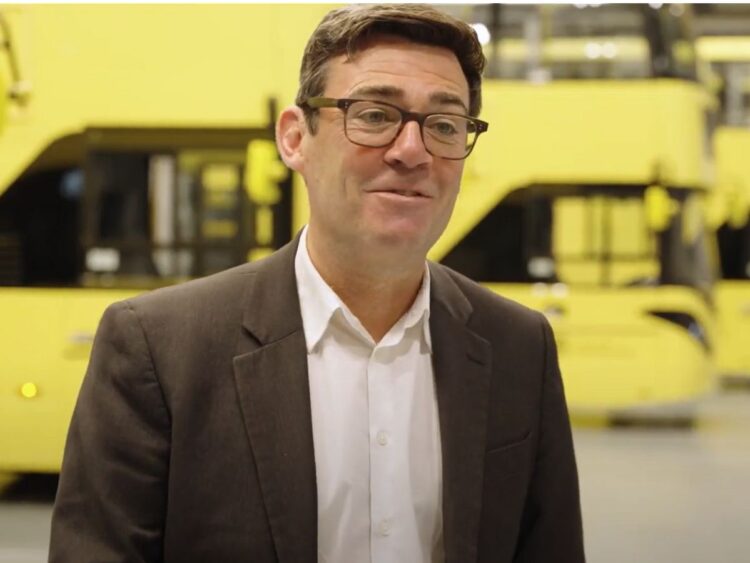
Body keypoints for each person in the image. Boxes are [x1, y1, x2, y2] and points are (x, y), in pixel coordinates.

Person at [49, 4, 584, 563]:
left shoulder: (518, 346)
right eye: (374, 115)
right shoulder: (160, 349)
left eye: (445, 125)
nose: (411, 150)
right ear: (295, 138)